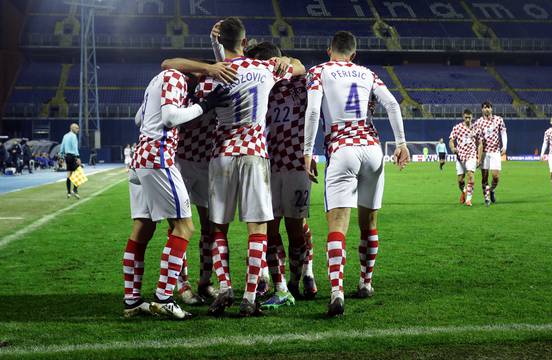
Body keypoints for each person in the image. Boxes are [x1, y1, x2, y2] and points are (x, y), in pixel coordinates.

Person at [203, 17, 306, 317]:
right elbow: (300, 69)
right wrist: (286, 60)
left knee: (218, 228)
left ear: (221, 44)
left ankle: (224, 287)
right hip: (254, 154)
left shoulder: (215, 74)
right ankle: (250, 295)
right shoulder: (263, 69)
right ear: (245, 43)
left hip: (221, 154)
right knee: (258, 228)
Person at [303, 31, 409, 316]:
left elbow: (313, 112)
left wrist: (307, 151)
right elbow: (392, 105)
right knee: (369, 222)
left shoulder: (319, 72)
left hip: (342, 149)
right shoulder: (367, 73)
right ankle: (365, 283)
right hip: (373, 150)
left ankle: (337, 291)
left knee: (338, 224)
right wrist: (401, 143)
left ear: (329, 50)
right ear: (353, 54)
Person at [122, 62, 232, 320]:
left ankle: (132, 300)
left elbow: (138, 118)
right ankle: (164, 298)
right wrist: (204, 106)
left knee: (142, 228)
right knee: (185, 227)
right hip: (158, 156)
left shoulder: (156, 81)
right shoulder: (176, 78)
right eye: (201, 74)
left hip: (141, 157)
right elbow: (170, 118)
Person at [475, 101, 507, 206]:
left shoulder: (498, 120)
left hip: (495, 152)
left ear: (491, 109)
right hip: (484, 152)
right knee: (484, 177)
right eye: (484, 107)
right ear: (482, 110)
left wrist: (505, 145)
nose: (486, 109)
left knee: (495, 176)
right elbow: (474, 136)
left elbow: (503, 132)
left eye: (488, 107)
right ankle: (487, 198)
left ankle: (492, 190)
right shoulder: (478, 122)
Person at [449, 109, 482, 206]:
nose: (467, 119)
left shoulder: (476, 128)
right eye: (466, 117)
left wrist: (479, 158)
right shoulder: (457, 127)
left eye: (469, 117)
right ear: (463, 117)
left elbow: (480, 144)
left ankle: (468, 199)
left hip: (471, 155)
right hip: (460, 156)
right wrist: (452, 148)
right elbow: (451, 140)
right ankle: (464, 191)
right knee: (460, 181)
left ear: (472, 117)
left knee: (470, 175)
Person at [60, 123, 81, 198]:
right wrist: (78, 157)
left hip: (67, 157)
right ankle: (75, 190)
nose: (78, 130)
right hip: (73, 156)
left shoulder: (65, 136)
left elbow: (62, 147)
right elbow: (75, 147)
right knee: (79, 174)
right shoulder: (74, 136)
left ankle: (69, 193)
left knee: (69, 174)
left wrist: (61, 157)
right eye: (77, 128)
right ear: (72, 128)